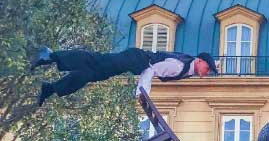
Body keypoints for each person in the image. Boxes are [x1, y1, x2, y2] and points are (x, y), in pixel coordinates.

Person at [31, 45, 218, 105]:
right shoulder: (179, 66)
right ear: (200, 61)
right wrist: (142, 93)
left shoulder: (188, 67)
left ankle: (50, 88)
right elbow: (150, 69)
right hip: (136, 59)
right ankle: (50, 55)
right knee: (95, 61)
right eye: (207, 68)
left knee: (89, 74)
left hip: (133, 62)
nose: (206, 72)